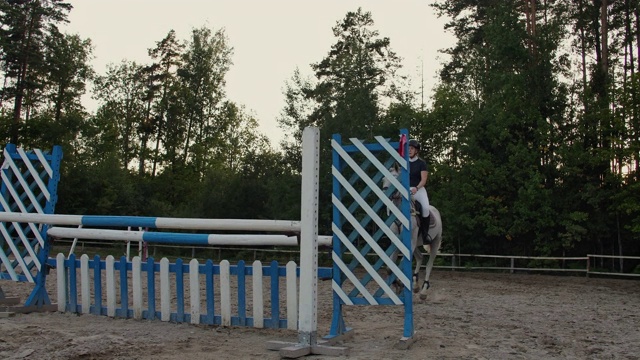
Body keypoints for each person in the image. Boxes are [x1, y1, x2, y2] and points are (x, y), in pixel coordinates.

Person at [408, 139, 431, 244]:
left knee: (426, 208)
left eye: (412, 148)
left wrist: (416, 188)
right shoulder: (403, 162)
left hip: (419, 190)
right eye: (408, 148)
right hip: (406, 190)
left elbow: (424, 180)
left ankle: (425, 235)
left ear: (416, 151)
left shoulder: (421, 163)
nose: (409, 150)